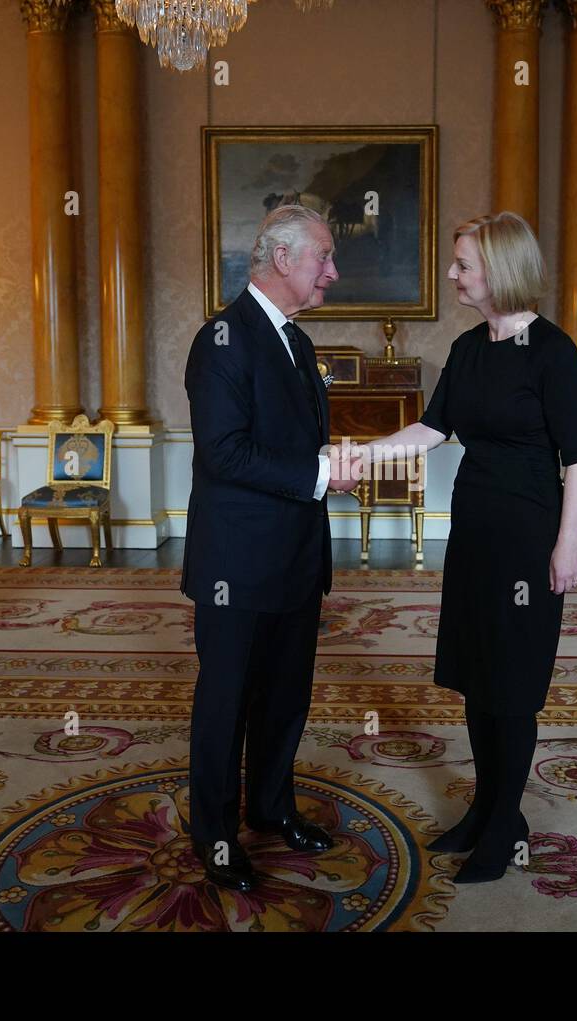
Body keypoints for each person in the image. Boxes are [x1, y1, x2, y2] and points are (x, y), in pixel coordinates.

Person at [357, 211, 577, 883]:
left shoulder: (553, 351)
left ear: (501, 270)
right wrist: (356, 455)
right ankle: (491, 808)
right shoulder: (466, 350)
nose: (454, 274)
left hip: (530, 536)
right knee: (478, 674)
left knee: (513, 685)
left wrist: (567, 545)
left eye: (463, 264)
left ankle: (502, 826)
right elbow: (432, 430)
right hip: (475, 533)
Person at [181, 204, 365, 892]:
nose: (333, 272)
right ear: (283, 259)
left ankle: (271, 806)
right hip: (236, 565)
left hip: (294, 557)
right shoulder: (222, 338)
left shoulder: (298, 342)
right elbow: (225, 453)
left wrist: (325, 469)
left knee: (287, 696)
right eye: (324, 257)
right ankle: (216, 835)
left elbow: (289, 448)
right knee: (226, 703)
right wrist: (318, 473)